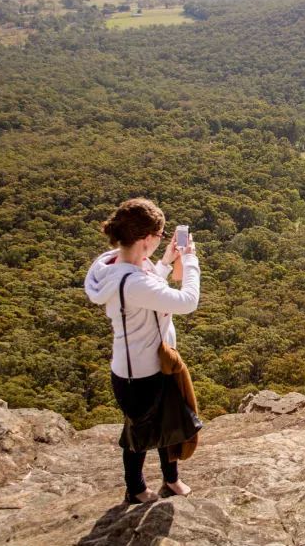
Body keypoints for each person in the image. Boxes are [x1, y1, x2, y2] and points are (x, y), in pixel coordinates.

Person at [84, 198, 200, 503]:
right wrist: (188, 259)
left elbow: (141, 290)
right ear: (146, 238)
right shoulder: (131, 280)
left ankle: (171, 480)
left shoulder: (117, 265)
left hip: (150, 365)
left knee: (169, 424)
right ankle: (135, 490)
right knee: (138, 437)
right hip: (140, 375)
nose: (160, 241)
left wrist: (164, 262)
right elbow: (187, 301)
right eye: (160, 236)